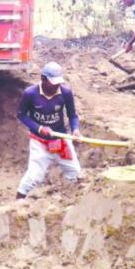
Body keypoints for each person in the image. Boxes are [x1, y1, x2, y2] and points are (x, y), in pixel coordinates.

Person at [15, 62, 82, 199]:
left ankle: (73, 202)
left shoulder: (65, 93)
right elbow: (21, 115)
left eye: (58, 83)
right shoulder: (30, 94)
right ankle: (18, 203)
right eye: (53, 83)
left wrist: (75, 130)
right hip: (39, 142)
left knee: (75, 173)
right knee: (33, 176)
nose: (56, 86)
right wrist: (39, 128)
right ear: (43, 79)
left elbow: (72, 115)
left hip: (60, 139)